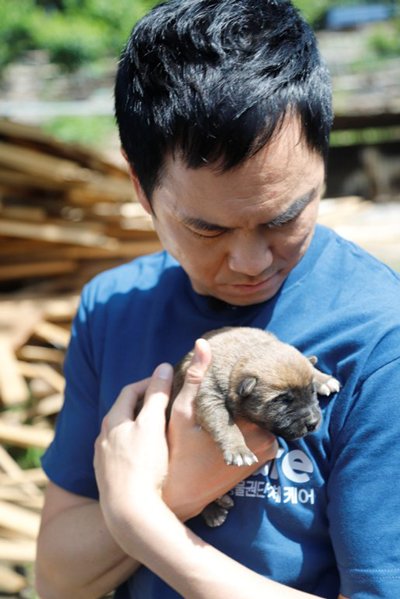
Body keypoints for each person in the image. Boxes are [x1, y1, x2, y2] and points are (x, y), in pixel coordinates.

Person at [35, 0, 400, 597]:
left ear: (323, 166)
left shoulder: (382, 336)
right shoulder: (112, 307)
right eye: (208, 229)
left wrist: (146, 518)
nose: (252, 263)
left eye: (286, 217)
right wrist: (177, 489)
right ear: (140, 188)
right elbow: (56, 579)